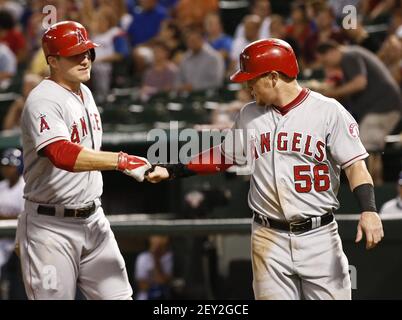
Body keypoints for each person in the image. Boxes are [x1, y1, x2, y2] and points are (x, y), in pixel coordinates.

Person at [146, 38, 384, 300]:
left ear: (272, 77)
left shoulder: (328, 111)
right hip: (268, 237)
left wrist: (369, 210)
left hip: (320, 237)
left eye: (252, 79)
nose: (248, 86)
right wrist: (174, 169)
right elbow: (224, 156)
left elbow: (355, 166)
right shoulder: (249, 115)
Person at [16, 21, 152, 300]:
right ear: (52, 60)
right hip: (50, 227)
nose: (85, 59)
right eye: (74, 54)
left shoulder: (84, 92)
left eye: (87, 52)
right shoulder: (43, 99)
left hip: (93, 218)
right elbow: (61, 154)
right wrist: (121, 161)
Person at [313, 41, 402, 185]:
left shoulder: (349, 55)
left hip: (383, 107)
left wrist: (333, 93)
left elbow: (360, 83)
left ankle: (371, 189)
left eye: (325, 60)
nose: (326, 65)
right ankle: (374, 185)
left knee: (366, 149)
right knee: (370, 149)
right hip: (381, 108)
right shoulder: (351, 55)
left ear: (332, 51)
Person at [0, 148, 25, 299]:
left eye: (10, 166)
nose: (7, 169)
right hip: (2, 242)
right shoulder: (1, 186)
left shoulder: (25, 187)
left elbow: (24, 217)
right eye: (4, 166)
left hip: (18, 242)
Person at [134, 235, 173, 300]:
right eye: (154, 236)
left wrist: (156, 259)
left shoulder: (170, 256)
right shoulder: (143, 257)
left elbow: (163, 282)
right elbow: (143, 286)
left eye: (160, 236)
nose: (156, 240)